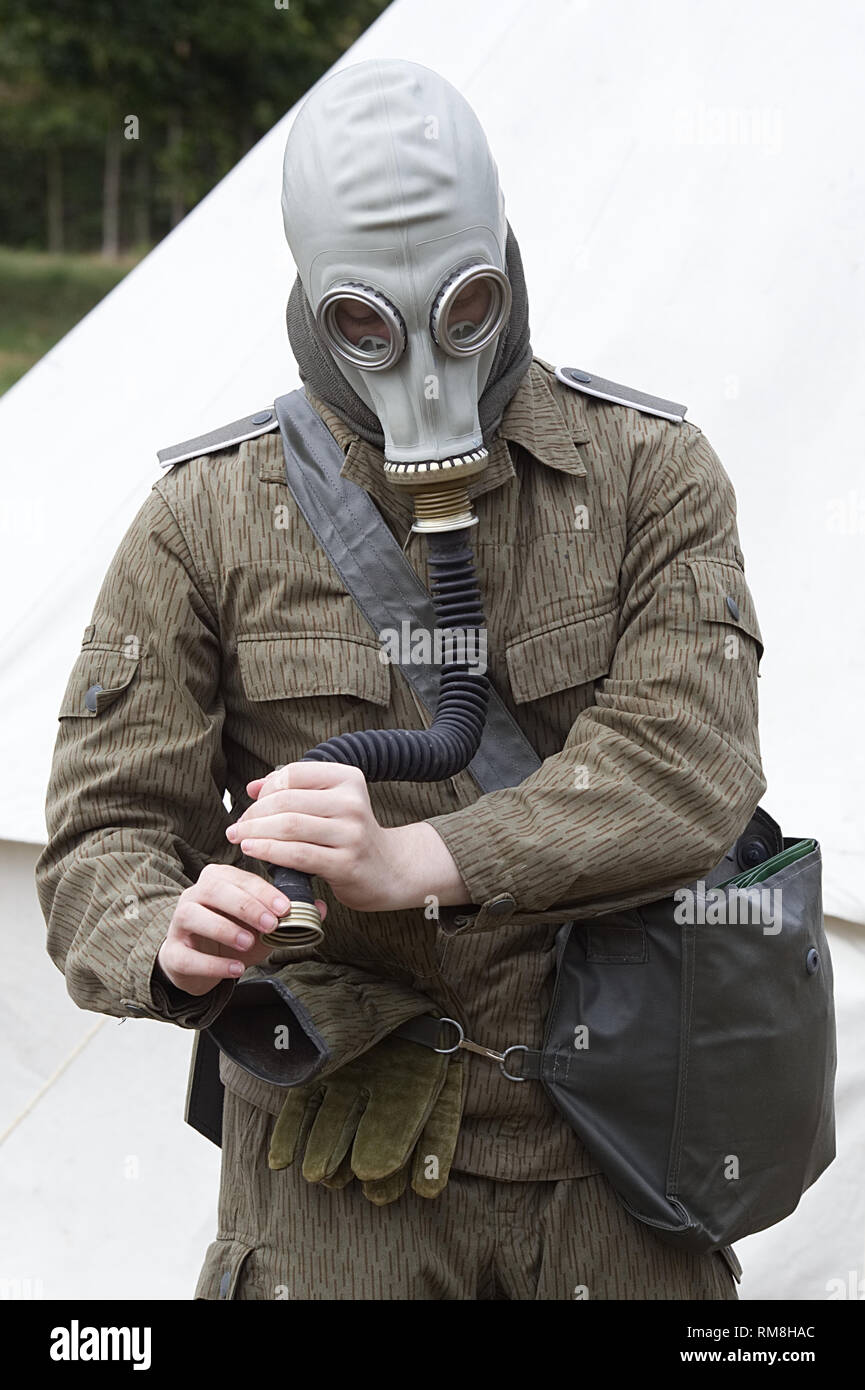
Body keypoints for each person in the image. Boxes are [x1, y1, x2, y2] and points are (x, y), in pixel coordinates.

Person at [36, 58, 766, 1301]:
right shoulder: (202, 518)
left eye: (464, 304)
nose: (425, 368)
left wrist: (421, 861)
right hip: (334, 1194)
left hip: (609, 1180)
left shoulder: (648, 472)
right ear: (314, 303)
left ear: (506, 264)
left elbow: (688, 765)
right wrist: (164, 933)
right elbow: (103, 833)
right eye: (367, 324)